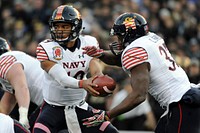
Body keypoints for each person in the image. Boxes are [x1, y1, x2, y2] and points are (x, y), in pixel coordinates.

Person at [82, 12, 200, 133]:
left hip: (182, 104)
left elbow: (139, 95)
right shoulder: (150, 38)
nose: (118, 40)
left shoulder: (135, 50)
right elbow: (121, 58)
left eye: (120, 36)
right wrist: (100, 54)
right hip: (182, 100)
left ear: (129, 35)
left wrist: (108, 114)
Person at [33, 5, 118, 133]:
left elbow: (94, 65)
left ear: (76, 27)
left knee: (111, 132)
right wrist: (83, 83)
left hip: (80, 106)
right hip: (53, 108)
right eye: (57, 26)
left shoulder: (88, 42)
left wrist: (98, 79)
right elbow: (61, 78)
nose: (59, 30)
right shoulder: (46, 47)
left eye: (65, 26)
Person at [0, 37, 45, 130]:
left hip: (55, 99)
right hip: (52, 100)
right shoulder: (11, 60)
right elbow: (6, 106)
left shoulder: (3, 61)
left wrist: (23, 116)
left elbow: (22, 87)